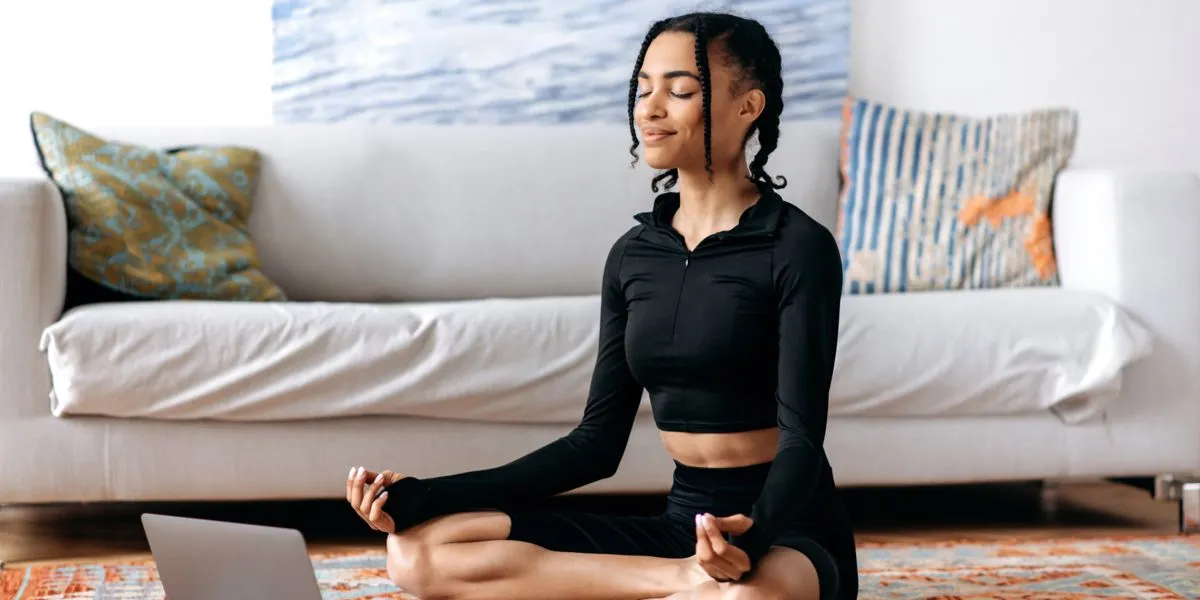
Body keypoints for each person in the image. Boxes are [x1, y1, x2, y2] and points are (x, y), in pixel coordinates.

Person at [345, 11, 857, 600]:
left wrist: (754, 532)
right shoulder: (634, 255)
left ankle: (688, 583)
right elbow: (595, 445)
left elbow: (800, 441)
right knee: (416, 551)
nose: (651, 108)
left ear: (748, 107)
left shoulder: (797, 247)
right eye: (643, 90)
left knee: (744, 595)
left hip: (784, 532)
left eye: (681, 91)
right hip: (681, 529)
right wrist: (426, 495)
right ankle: (676, 582)